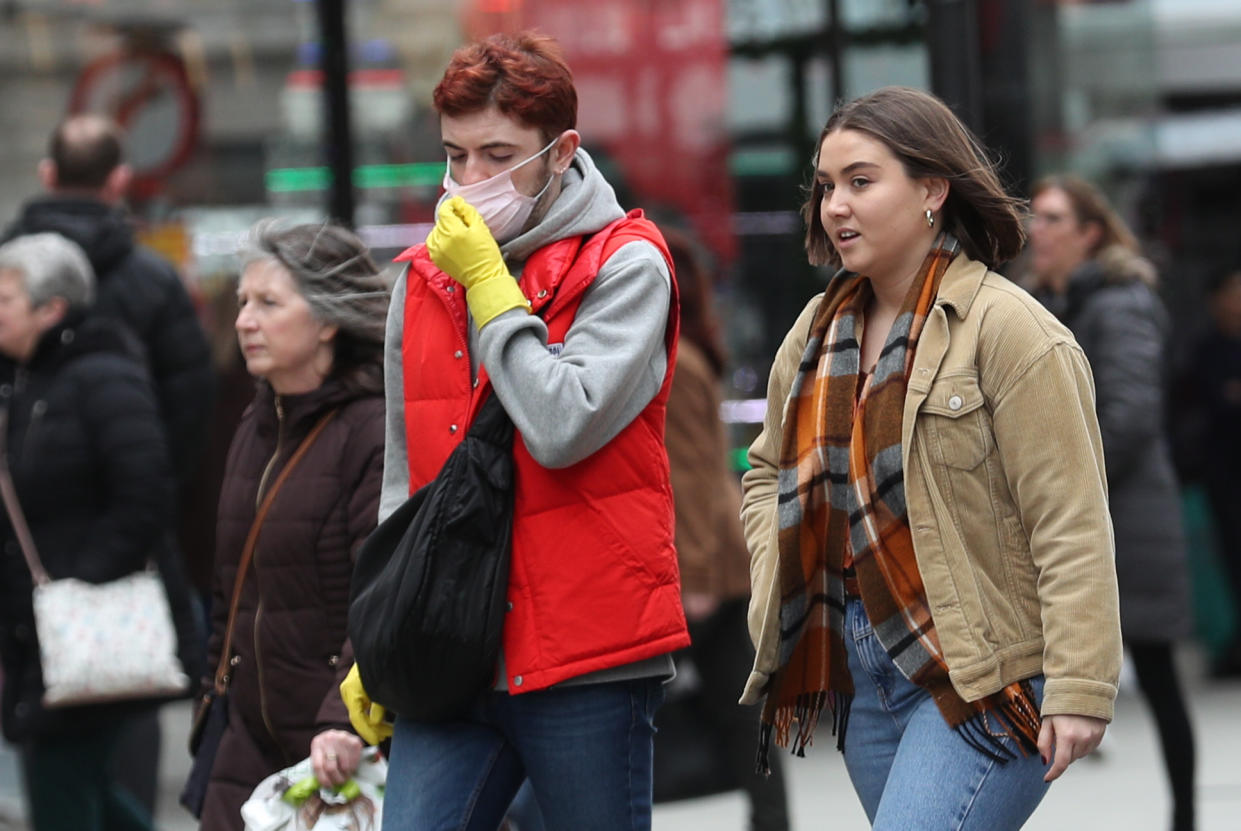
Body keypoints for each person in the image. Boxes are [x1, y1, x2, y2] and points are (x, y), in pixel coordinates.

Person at [740, 87, 1122, 830]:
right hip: (861, 667)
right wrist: (772, 567)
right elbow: (764, 471)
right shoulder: (816, 332)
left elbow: (1070, 518)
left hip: (981, 671)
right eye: (825, 186)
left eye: (860, 180)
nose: (835, 206)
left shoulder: (1009, 331)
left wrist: (1078, 683)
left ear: (930, 189)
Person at [376, 31, 689, 831]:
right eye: (454, 154)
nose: (470, 181)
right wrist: (377, 627)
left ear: (561, 152)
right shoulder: (421, 275)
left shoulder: (627, 263)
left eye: (497, 155)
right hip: (450, 645)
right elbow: (405, 474)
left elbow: (560, 422)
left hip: (583, 651)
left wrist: (488, 285)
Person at [3, 114, 214, 813]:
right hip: (61, 592)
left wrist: (86, 574)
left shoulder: (95, 370)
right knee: (100, 775)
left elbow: (145, 477)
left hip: (89, 593)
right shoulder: (150, 281)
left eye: (6, 300)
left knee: (70, 775)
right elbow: (188, 414)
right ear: (119, 180)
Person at [195, 221, 389, 829]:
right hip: (247, 739)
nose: (244, 321)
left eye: (269, 304)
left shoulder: (372, 432)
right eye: (243, 302)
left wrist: (343, 722)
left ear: (329, 321)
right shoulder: (254, 430)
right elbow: (233, 592)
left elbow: (383, 599)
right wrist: (213, 699)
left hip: (335, 751)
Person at [1029, 174, 1197, 831]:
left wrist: (1055, 480)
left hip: (1127, 520)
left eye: (1050, 218)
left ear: (1088, 232)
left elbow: (1127, 417)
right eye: (1033, 218)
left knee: (1155, 673)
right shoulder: (1049, 303)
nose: (1035, 230)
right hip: (1085, 515)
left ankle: (1184, 815)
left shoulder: (1120, 301)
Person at [0, 232, 173, 831]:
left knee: (62, 787)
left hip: (81, 627)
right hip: (39, 629)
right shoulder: (24, 381)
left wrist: (78, 586)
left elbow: (145, 490)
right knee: (84, 788)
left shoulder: (101, 375)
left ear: (51, 309)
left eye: (5, 298)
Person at [660, 228, 789, 830]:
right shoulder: (687, 355)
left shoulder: (676, 365)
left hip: (705, 567)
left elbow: (691, 480)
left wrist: (695, 578)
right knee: (741, 714)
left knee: (739, 716)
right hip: (713, 561)